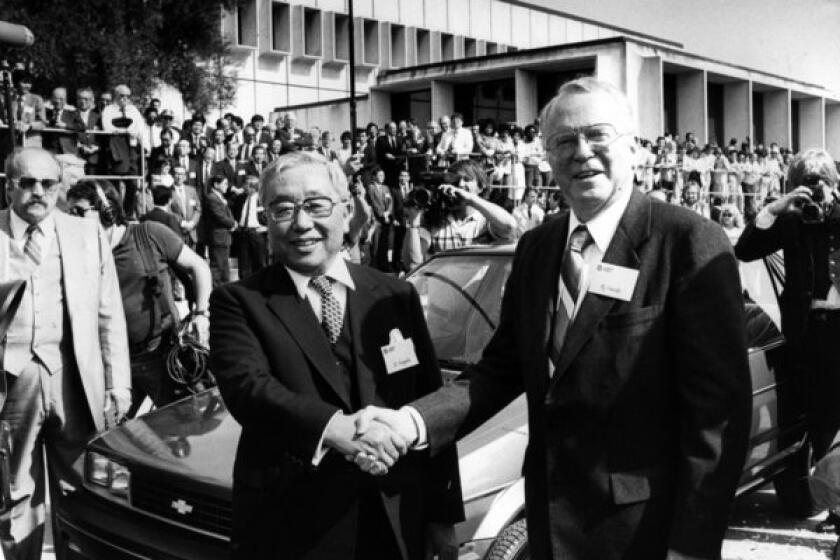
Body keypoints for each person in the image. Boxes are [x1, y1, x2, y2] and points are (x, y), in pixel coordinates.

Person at [356, 77, 752, 560]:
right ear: (545, 154)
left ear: (632, 147)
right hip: (547, 524)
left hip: (642, 532)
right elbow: (499, 371)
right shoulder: (537, 248)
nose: (582, 152)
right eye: (564, 141)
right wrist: (412, 422)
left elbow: (716, 417)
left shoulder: (689, 242)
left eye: (597, 135)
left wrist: (690, 546)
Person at [208, 151, 463, 559]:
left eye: (315, 205)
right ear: (267, 221)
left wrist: (442, 516)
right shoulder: (239, 301)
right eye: (283, 209)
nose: (301, 223)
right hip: (295, 528)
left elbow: (430, 400)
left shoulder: (395, 294)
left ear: (346, 213)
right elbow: (249, 389)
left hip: (397, 518)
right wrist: (338, 430)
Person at [0, 148, 131, 559]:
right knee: (16, 494)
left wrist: (119, 384)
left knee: (83, 490)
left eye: (48, 184)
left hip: (75, 380)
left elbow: (109, 314)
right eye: (27, 183)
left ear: (59, 187)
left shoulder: (85, 233)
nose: (38, 192)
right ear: (8, 187)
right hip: (12, 382)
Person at [734, 148, 840, 533]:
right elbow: (744, 250)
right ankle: (828, 503)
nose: (815, 193)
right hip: (806, 334)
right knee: (817, 419)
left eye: (821, 184)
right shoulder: (791, 218)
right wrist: (776, 207)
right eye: (805, 186)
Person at [66, 180, 211, 418]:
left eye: (79, 212)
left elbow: (199, 267)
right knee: (108, 440)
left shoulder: (149, 234)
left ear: (107, 210)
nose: (71, 220)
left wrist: (202, 314)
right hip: (111, 366)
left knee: (183, 431)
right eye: (68, 213)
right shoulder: (77, 253)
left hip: (161, 357)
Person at [203, 175, 237, 286]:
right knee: (217, 266)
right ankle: (215, 289)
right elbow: (219, 216)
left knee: (224, 265)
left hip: (224, 236)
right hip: (218, 236)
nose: (227, 186)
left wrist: (233, 223)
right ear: (216, 185)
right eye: (224, 184)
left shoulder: (220, 197)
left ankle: (224, 288)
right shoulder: (212, 198)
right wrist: (232, 223)